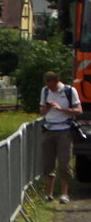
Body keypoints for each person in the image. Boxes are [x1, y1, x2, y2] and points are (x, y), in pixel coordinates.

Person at [39, 71, 82, 203]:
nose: (50, 88)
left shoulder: (69, 91)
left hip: (64, 130)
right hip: (48, 129)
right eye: (47, 85)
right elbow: (41, 111)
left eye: (52, 86)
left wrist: (60, 109)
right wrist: (47, 108)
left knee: (64, 162)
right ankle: (49, 194)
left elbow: (79, 111)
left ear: (57, 81)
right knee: (48, 163)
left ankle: (64, 194)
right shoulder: (45, 91)